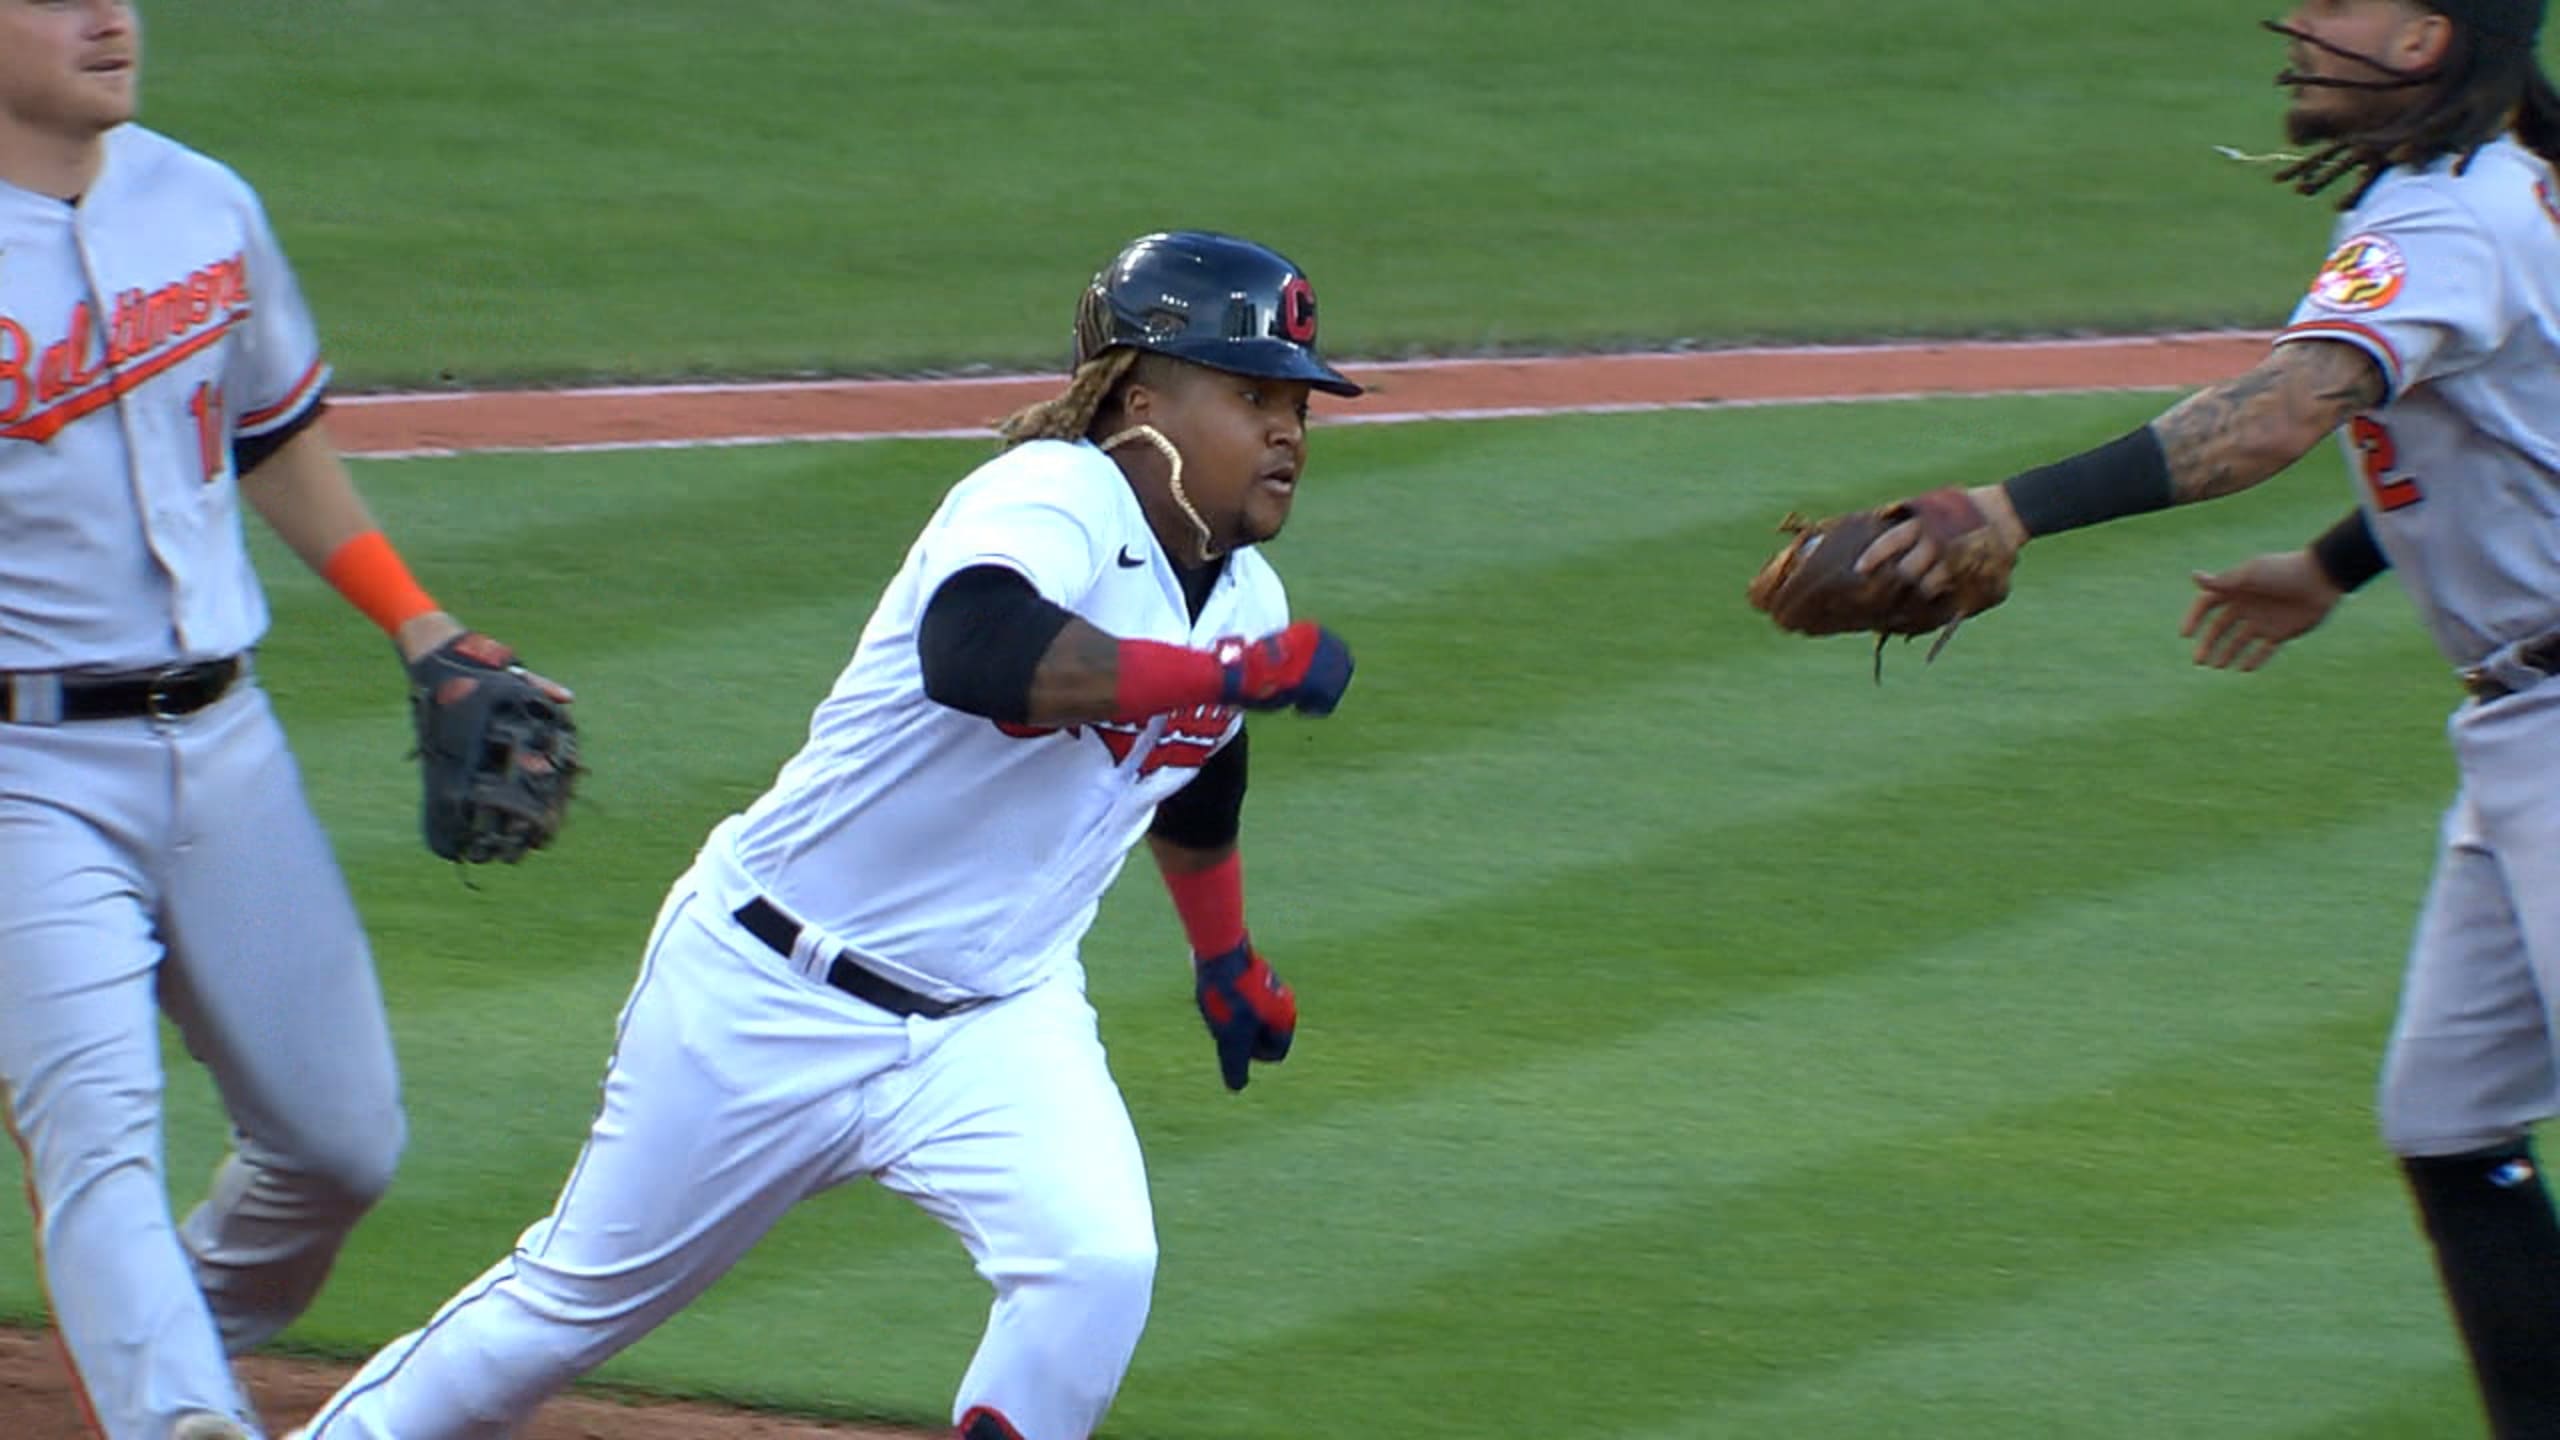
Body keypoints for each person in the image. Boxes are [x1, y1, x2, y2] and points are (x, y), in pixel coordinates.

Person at [286, 229, 1360, 1440]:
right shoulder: (1046, 495)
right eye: (1252, 394)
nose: (1287, 430)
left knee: (1095, 1265)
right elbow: (980, 655)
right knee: (565, 1312)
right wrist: (1225, 668)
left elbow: (1201, 769)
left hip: (995, 1023)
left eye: (1299, 405)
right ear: (1137, 396)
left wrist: (1223, 955)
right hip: (768, 992)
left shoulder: (1242, 595)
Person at [1853, 2, 2560, 1433]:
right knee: (2447, 1120)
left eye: (2341, 2)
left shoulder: (2447, 222)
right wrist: (2332, 566)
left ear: (2425, 39)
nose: (2298, 21)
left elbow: (2279, 411)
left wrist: (2011, 509)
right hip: (2518, 727)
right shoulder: (2519, 170)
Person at [0, 3, 575, 1438]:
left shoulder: (203, 204)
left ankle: (162, 1346)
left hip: (224, 746)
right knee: (98, 1138)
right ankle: (181, 1416)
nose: (110, 17)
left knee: (338, 1145)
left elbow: (273, 432)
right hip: (22, 771)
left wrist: (417, 620)